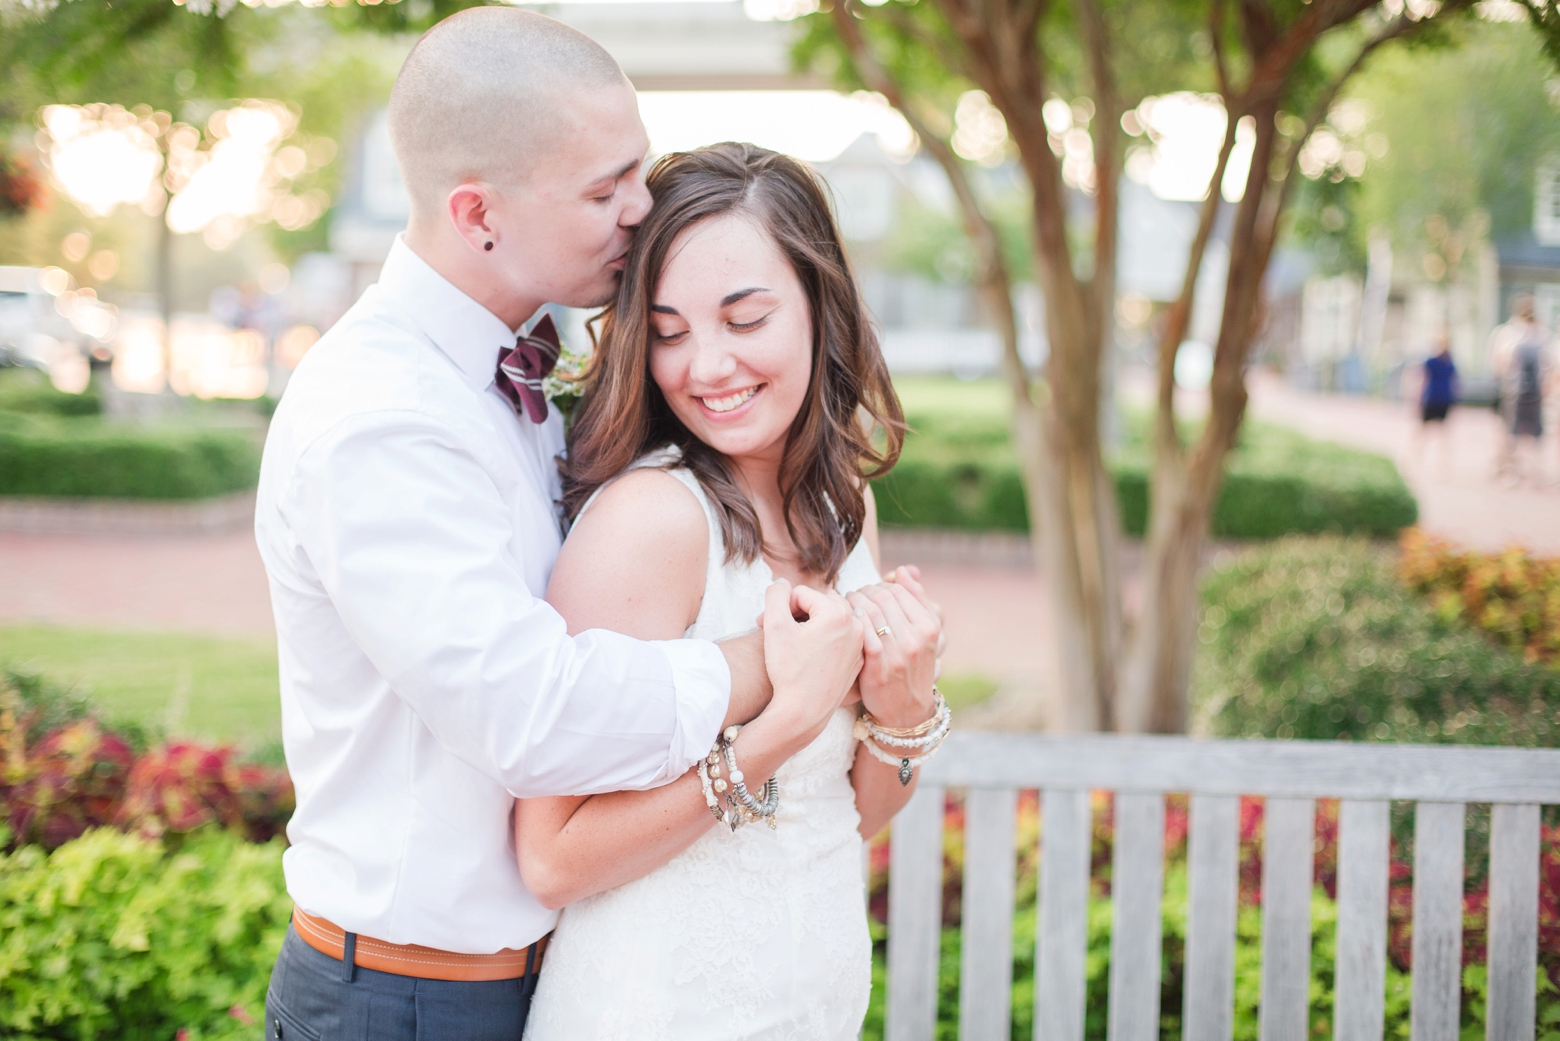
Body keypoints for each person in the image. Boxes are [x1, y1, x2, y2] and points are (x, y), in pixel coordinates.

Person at [253, 12, 925, 1040]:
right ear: (478, 213)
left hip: (562, 965)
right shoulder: (382, 419)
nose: (640, 208)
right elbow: (535, 719)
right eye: (606, 188)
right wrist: (787, 673)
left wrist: (897, 705)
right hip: (413, 993)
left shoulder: (521, 372)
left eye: (639, 173)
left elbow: (831, 811)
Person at [518, 143, 946, 1041]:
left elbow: (846, 811)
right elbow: (552, 857)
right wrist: (780, 726)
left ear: (819, 306)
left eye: (744, 318)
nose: (704, 367)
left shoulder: (844, 507)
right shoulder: (651, 520)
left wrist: (902, 709)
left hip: (809, 1004)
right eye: (669, 331)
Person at [1490, 294, 1555, 484]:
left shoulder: (1515, 334)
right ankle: (1515, 468)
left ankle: (1517, 469)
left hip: (1520, 390)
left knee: (1516, 431)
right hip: (1519, 391)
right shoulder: (1521, 334)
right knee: (1518, 432)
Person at [1414, 334, 1457, 477]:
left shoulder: (1446, 362)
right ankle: (1417, 462)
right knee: (1424, 433)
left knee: (1437, 435)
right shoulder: (1439, 362)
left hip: (1438, 400)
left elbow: (1454, 382)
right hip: (1435, 399)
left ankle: (1441, 467)